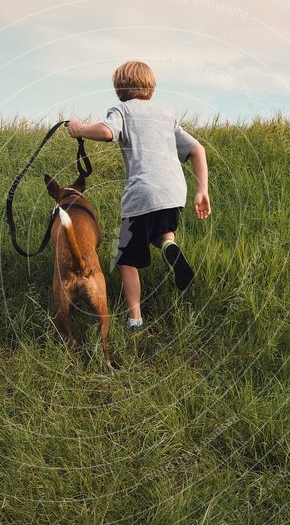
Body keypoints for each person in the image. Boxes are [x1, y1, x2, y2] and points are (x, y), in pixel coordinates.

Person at [66, 60, 211, 331]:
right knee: (160, 229)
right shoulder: (166, 116)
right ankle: (169, 245)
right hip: (173, 193)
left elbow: (109, 132)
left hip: (142, 193)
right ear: (151, 88)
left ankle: (135, 318)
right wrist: (202, 189)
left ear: (119, 89)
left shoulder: (121, 109)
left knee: (126, 259)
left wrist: (80, 129)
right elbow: (197, 149)